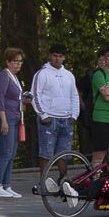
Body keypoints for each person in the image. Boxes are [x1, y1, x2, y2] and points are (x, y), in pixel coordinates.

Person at [31, 43, 79, 173]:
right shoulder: (41, 74)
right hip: (49, 119)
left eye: (60, 56)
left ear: (64, 58)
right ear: (50, 56)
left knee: (64, 153)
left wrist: (74, 115)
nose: (57, 59)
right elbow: (35, 95)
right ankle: (44, 181)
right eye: (55, 56)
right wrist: (43, 115)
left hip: (66, 119)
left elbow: (74, 95)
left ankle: (63, 180)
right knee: (46, 152)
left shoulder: (69, 75)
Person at [0, 48, 25, 198]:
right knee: (6, 152)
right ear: (8, 62)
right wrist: (3, 120)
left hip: (15, 117)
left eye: (20, 61)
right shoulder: (4, 76)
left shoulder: (14, 77)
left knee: (11, 153)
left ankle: (6, 184)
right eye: (15, 61)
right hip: (6, 118)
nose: (18, 64)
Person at [76, 51, 105, 156]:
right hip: (91, 113)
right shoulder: (90, 76)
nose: (103, 62)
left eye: (104, 60)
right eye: (100, 60)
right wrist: (83, 106)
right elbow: (78, 92)